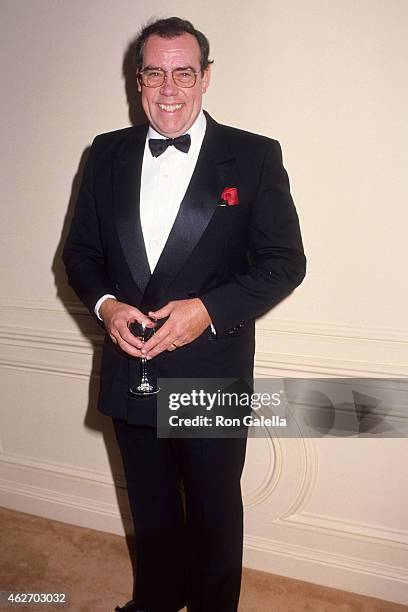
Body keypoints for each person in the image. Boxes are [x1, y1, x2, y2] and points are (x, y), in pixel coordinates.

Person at [63, 16, 306, 612]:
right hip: (131, 369)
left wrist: (207, 310)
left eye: (183, 73)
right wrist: (106, 305)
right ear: (138, 78)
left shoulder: (252, 157)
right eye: (155, 73)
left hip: (212, 373)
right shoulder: (105, 154)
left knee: (214, 516)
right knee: (150, 511)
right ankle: (154, 601)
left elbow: (285, 262)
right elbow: (80, 256)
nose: (168, 88)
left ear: (205, 78)